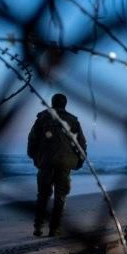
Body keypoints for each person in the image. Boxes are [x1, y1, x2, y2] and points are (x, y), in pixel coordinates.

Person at [27, 93, 87, 237]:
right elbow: (81, 144)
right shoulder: (73, 121)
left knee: (42, 195)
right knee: (60, 196)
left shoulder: (42, 118)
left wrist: (35, 157)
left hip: (46, 162)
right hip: (64, 162)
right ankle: (54, 228)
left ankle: (38, 227)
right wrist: (80, 160)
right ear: (65, 104)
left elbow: (32, 140)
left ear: (52, 103)